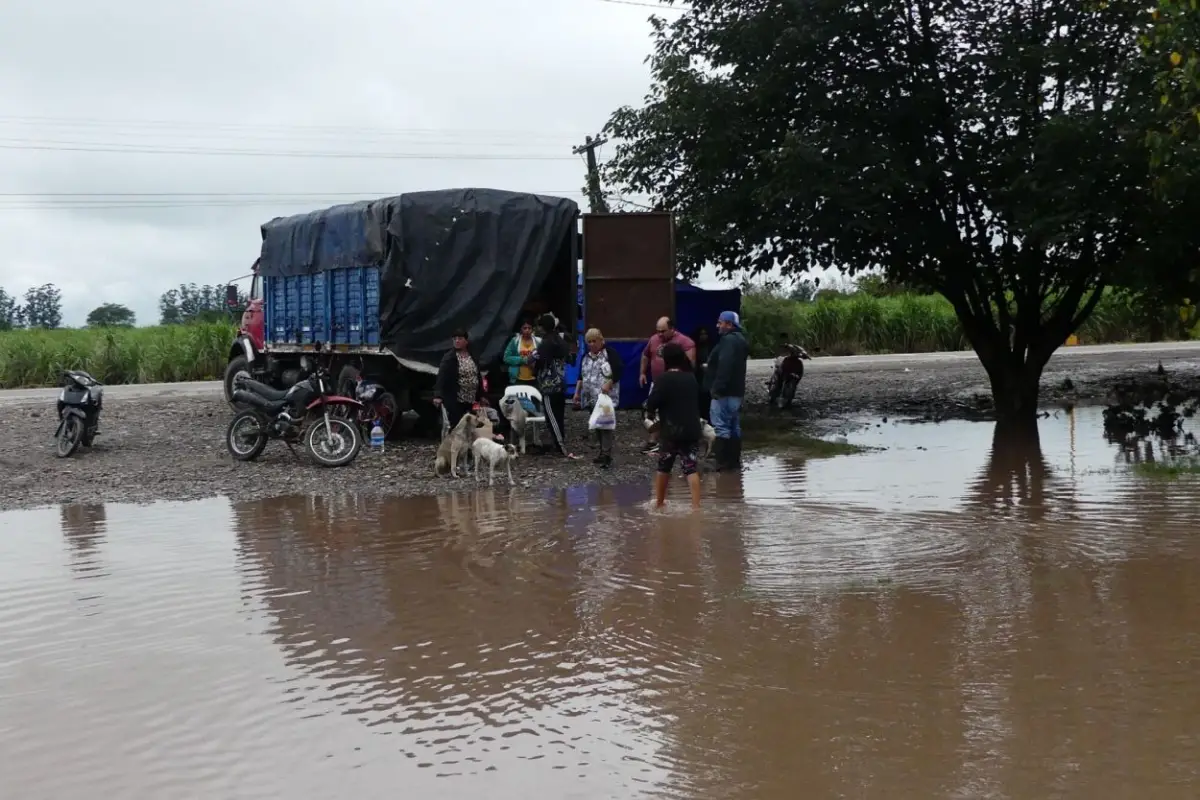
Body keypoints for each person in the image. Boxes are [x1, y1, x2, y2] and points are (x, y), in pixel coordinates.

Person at [645, 342, 703, 508]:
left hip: (670, 431)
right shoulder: (691, 378)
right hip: (691, 430)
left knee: (664, 467)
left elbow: (652, 402)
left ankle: (659, 502)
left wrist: (649, 414)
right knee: (691, 468)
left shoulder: (664, 379)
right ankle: (696, 507)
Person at [639, 316, 696, 454]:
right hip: (658, 382)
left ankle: (677, 441)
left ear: (672, 329)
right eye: (658, 331)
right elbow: (645, 355)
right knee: (651, 411)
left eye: (663, 331)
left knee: (673, 412)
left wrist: (677, 377)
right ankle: (653, 441)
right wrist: (642, 373)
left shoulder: (685, 342)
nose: (659, 334)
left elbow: (691, 364)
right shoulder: (653, 339)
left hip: (676, 385)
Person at [705, 310, 749, 470]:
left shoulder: (728, 341)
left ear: (729, 324)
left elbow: (725, 365)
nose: (717, 325)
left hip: (724, 392)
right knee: (734, 426)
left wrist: (717, 388)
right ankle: (734, 463)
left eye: (720, 322)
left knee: (721, 426)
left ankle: (721, 463)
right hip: (737, 392)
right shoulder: (741, 340)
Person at [574, 327, 624, 468]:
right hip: (590, 397)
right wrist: (577, 393)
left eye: (594, 341)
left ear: (601, 340)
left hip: (605, 398)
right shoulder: (585, 357)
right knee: (597, 424)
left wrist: (610, 383)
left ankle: (607, 454)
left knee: (606, 425)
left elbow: (619, 370)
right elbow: (581, 376)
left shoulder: (610, 354)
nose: (591, 344)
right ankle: (602, 452)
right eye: (589, 342)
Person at [534, 312, 575, 458]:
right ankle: (559, 442)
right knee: (559, 414)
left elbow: (539, 361)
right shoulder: (561, 340)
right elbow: (571, 358)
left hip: (548, 385)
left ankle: (560, 446)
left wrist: (534, 368)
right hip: (561, 383)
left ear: (543, 328)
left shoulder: (546, 343)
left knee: (551, 416)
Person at [433, 328, 487, 432]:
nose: (457, 341)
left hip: (470, 397)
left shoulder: (472, 355)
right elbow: (442, 376)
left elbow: (477, 376)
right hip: (455, 398)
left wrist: (482, 395)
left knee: (470, 425)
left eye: (460, 338)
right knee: (457, 426)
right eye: (455, 339)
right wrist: (438, 395)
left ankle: (466, 447)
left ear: (466, 341)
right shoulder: (450, 357)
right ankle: (455, 447)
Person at [503, 319, 540, 387]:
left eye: (529, 328)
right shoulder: (515, 341)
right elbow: (506, 358)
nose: (527, 330)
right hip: (517, 379)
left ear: (532, 329)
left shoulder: (538, 341)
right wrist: (524, 360)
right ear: (521, 329)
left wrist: (536, 363)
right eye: (524, 328)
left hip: (534, 379)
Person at [693, 326, 713, 423]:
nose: (703, 336)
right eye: (701, 334)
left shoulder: (711, 348)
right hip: (698, 377)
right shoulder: (694, 348)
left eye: (705, 334)